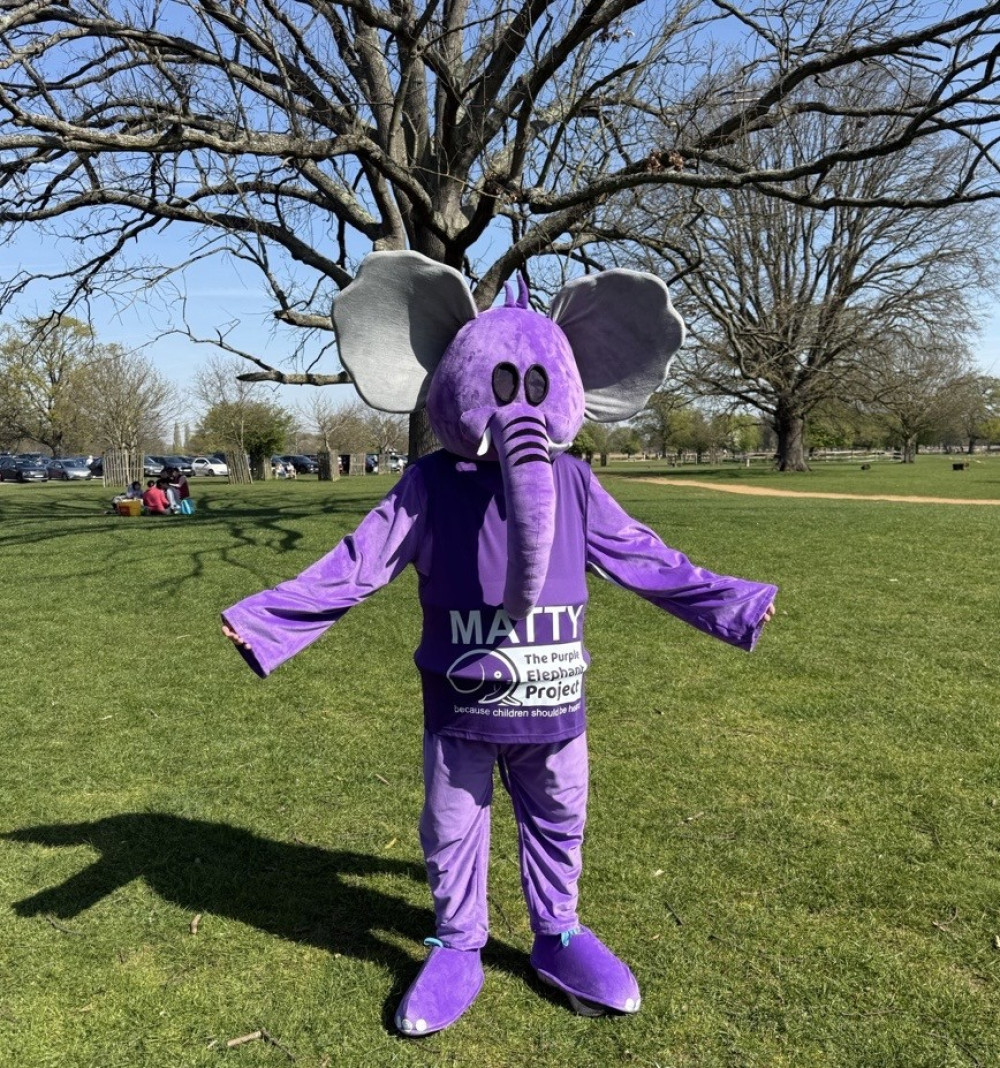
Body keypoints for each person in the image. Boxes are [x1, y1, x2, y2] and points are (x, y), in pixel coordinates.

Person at [221, 252, 777, 1036]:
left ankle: (559, 935)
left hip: (554, 712)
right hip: (460, 709)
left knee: (559, 819)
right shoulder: (428, 484)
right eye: (500, 385)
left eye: (536, 388)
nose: (519, 409)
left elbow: (648, 559)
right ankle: (457, 944)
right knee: (451, 829)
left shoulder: (576, 483)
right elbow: (357, 564)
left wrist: (735, 602)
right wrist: (268, 618)